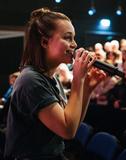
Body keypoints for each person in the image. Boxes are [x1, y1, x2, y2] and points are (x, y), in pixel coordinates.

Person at [4, 8, 106, 160]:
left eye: (74, 38)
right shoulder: (31, 81)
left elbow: (72, 122)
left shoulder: (51, 77)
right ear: (45, 42)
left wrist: (86, 89)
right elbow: (67, 131)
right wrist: (78, 79)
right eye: (68, 38)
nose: (75, 44)